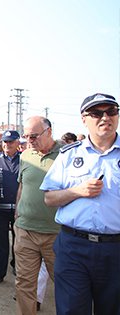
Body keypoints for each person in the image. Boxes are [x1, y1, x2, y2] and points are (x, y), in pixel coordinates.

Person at [40, 93, 120, 314]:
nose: (105, 118)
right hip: (74, 247)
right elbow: (49, 198)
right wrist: (77, 191)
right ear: (84, 119)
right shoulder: (68, 155)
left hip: (115, 250)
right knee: (71, 310)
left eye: (111, 111)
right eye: (97, 113)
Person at [14, 116, 63, 314]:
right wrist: (18, 212)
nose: (29, 141)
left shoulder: (66, 155)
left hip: (56, 233)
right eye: (26, 136)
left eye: (33, 136)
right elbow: (22, 185)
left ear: (49, 131)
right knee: (24, 283)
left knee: (64, 283)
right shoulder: (25, 155)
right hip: (26, 231)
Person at [0, 130, 21, 286]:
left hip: (19, 210)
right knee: (0, 243)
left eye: (11, 142)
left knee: (19, 242)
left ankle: (17, 267)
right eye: (5, 142)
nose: (8, 145)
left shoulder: (25, 161)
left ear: (17, 143)